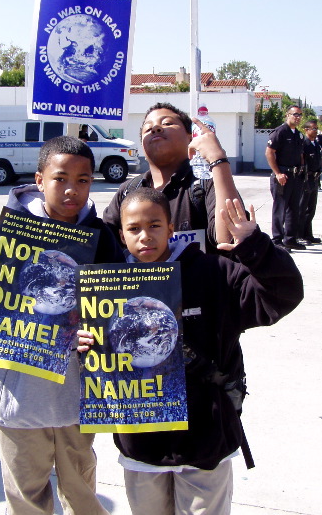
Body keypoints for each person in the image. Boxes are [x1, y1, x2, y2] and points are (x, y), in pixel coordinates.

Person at [78, 187, 303, 515]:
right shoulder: (103, 289)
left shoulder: (214, 272)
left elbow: (281, 296)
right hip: (141, 443)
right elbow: (95, 356)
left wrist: (255, 245)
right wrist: (82, 341)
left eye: (155, 225)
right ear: (121, 234)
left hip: (205, 441)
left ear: (171, 229)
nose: (145, 236)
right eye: (134, 229)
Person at [0, 136, 124, 515]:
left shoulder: (102, 239)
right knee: (27, 499)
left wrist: (101, 332)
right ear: (40, 179)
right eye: (61, 178)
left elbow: (120, 310)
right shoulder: (13, 231)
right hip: (20, 397)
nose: (71, 190)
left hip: (76, 399)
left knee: (82, 495)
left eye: (83, 180)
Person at [103, 102, 242, 253]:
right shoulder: (128, 191)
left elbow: (229, 240)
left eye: (167, 123)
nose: (156, 129)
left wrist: (218, 160)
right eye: (148, 128)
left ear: (191, 137)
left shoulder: (206, 182)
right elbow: (101, 245)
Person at [265, 104, 306, 250]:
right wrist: (277, 173)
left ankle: (290, 239)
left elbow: (301, 154)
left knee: (294, 208)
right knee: (280, 208)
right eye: (295, 114)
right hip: (282, 175)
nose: (298, 117)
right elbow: (269, 153)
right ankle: (277, 240)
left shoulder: (298, 134)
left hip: (295, 176)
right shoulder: (280, 132)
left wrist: (301, 170)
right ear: (287, 115)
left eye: (300, 115)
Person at [298, 119, 321, 243]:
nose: (316, 131)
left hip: (315, 179)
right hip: (306, 179)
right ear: (306, 130)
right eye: (313, 128)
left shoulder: (316, 144)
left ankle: (308, 234)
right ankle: (300, 235)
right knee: (302, 208)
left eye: (316, 128)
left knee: (311, 208)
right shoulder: (304, 144)